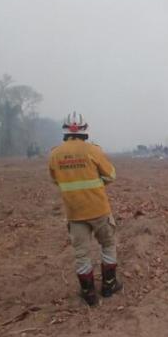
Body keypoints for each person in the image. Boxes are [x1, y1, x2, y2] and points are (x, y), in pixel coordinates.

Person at [48, 112, 122, 306]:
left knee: (81, 254)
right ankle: (109, 284)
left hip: (75, 213)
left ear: (65, 130)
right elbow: (111, 175)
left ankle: (88, 294)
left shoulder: (55, 154)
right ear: (85, 129)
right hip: (99, 210)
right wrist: (97, 183)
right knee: (108, 244)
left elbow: (55, 179)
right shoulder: (93, 150)